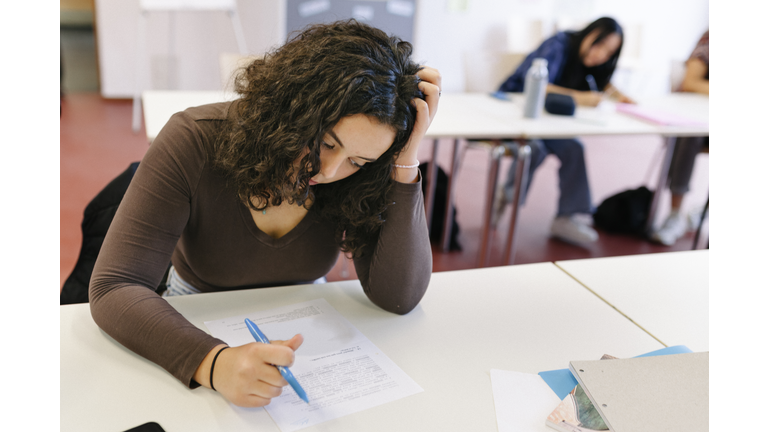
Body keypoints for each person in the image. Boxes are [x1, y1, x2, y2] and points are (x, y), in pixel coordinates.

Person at [89, 20, 440, 408]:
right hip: (191, 318)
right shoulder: (194, 139)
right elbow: (115, 286)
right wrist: (215, 362)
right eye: (325, 142)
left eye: (357, 160)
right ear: (295, 106)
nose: (329, 171)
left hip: (304, 326)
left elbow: (399, 297)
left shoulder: (360, 178)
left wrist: (404, 161)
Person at [494, 17, 634, 245]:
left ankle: (566, 217)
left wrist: (620, 96)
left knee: (574, 147)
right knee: (534, 148)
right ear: (590, 33)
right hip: (515, 114)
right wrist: (582, 98)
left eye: (609, 53)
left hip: (550, 123)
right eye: (599, 45)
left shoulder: (590, 63)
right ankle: (506, 196)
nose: (601, 55)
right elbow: (538, 86)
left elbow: (602, 83)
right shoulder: (559, 45)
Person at [651, 30, 709, 246]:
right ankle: (675, 215)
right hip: (698, 121)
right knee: (689, 135)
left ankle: (707, 210)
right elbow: (690, 82)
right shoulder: (710, 40)